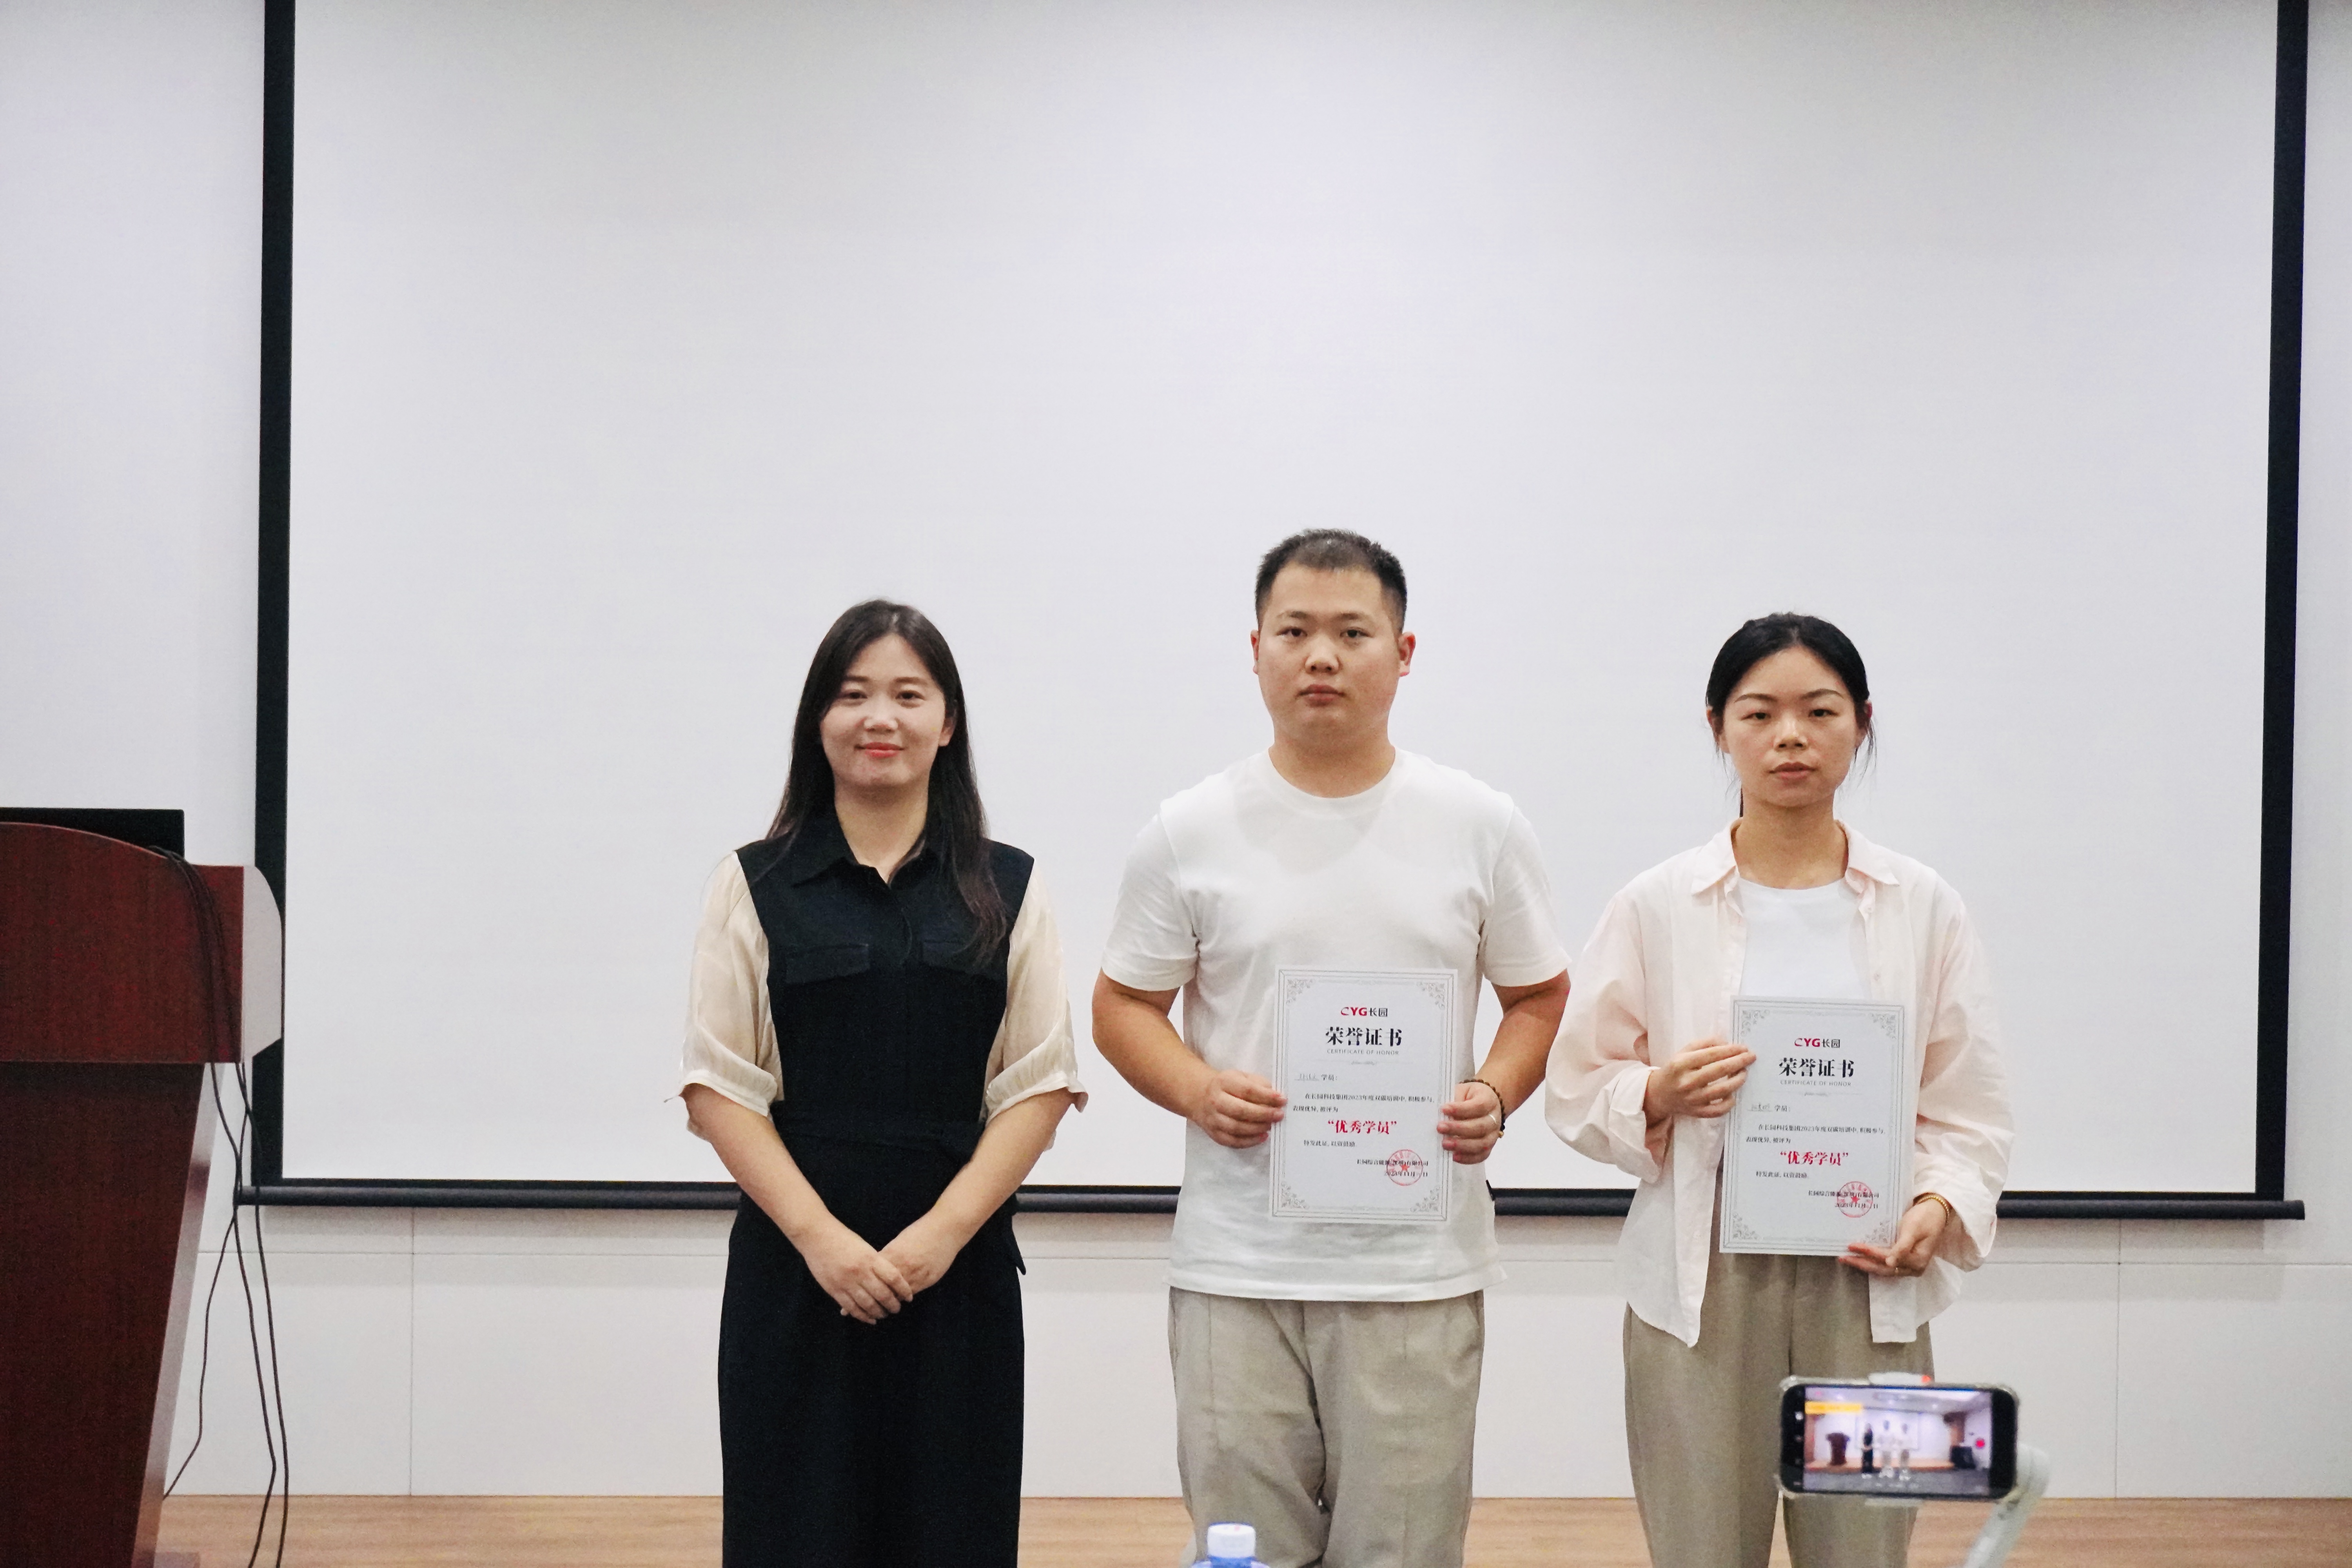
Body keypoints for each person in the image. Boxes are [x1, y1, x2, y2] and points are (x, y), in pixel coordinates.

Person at [1094, 530, 1572, 1568]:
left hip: (1416, 1268)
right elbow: (1123, 1005)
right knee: (1243, 1552)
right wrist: (1198, 1088)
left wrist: (1495, 1092)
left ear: (1403, 653)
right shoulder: (1190, 828)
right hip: (1238, 1264)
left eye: (1353, 632)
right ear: (1255, 648)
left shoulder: (1479, 823)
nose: (1322, 656)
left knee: (1401, 1551)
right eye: (1295, 631)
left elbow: (1539, 996)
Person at [1545, 612, 2011, 1568]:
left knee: (1864, 1547)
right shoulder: (1658, 901)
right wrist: (1659, 1091)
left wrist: (1937, 1204)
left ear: (1863, 722)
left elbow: (1967, 1103)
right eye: (1759, 713)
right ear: (1718, 727)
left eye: (1820, 711)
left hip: (1868, 1273)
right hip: (1702, 1283)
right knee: (1702, 1545)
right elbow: (1577, 1081)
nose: (1790, 735)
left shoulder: (1924, 904)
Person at [678, 600, 1083, 1568]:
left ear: (948, 723)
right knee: (793, 1532)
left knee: (953, 1531)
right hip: (796, 1272)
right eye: (853, 694)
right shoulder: (754, 881)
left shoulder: (1010, 885)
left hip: (958, 1275)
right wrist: (824, 1244)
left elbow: (1038, 1084)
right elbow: (718, 1085)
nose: (880, 718)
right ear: (818, 719)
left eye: (909, 694)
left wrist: (939, 1237)